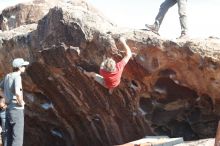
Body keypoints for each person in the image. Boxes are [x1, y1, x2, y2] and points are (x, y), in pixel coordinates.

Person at [0, 58, 29, 146]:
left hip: (8, 109)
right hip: (17, 110)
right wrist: (21, 102)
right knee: (17, 138)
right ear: (19, 67)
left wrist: (5, 98)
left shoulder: (8, 76)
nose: (25, 67)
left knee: (8, 137)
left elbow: (0, 88)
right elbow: (17, 92)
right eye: (23, 66)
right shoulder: (17, 77)